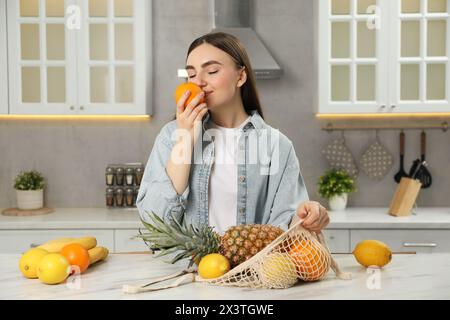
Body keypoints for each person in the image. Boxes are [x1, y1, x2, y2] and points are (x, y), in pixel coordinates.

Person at [136, 32, 329, 234]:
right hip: (189, 266)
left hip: (255, 266)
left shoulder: (277, 145)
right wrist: (184, 139)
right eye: (191, 75)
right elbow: (153, 225)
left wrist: (307, 216)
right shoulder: (171, 136)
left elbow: (286, 226)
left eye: (211, 71)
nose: (198, 82)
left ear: (240, 76)